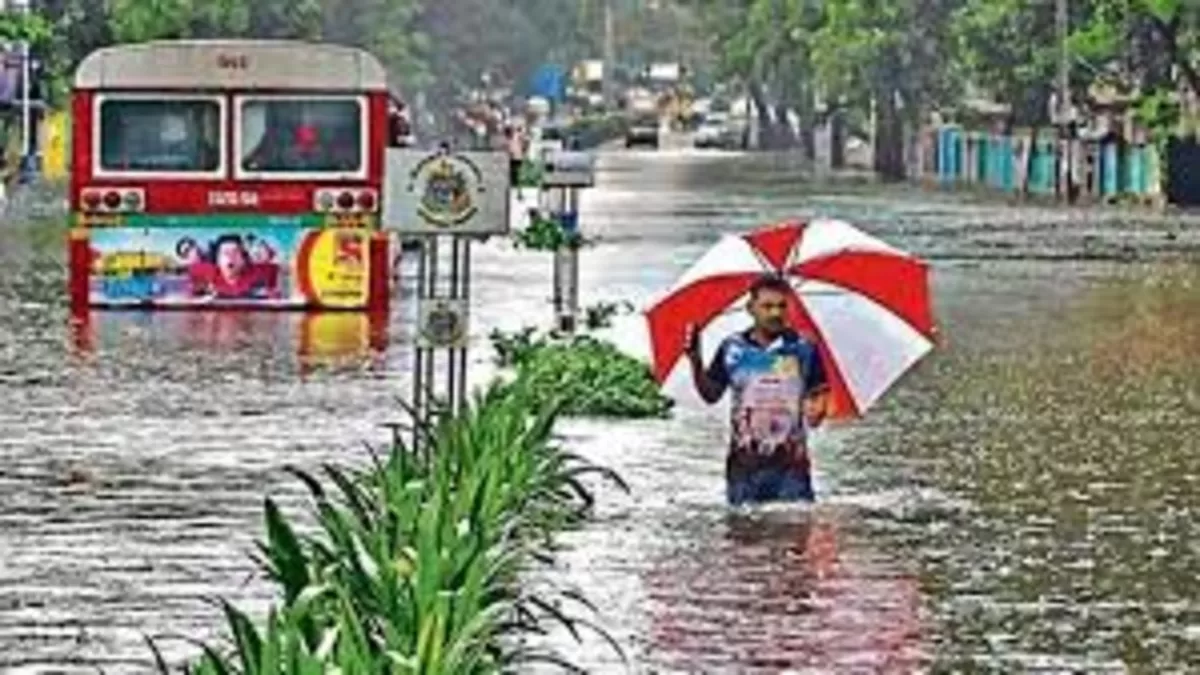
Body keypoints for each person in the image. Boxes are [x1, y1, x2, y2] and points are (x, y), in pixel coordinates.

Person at [685, 273, 830, 505]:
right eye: (767, 306)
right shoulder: (732, 348)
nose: (776, 313)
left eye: (782, 306)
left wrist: (818, 410)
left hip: (791, 468)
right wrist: (695, 360)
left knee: (794, 536)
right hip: (744, 468)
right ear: (750, 308)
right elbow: (711, 394)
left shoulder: (804, 349)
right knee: (744, 536)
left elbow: (819, 395)